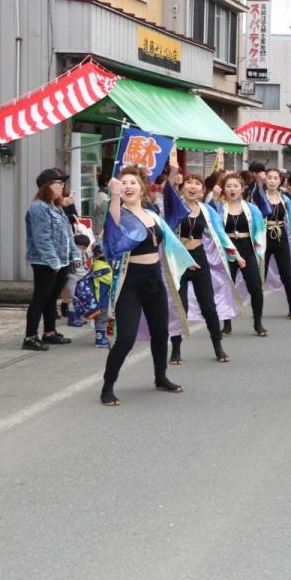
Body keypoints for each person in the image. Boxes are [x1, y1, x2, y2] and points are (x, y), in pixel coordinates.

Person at [99, 166, 194, 406]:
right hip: (130, 281)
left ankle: (161, 377)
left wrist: (186, 260)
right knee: (126, 337)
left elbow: (171, 238)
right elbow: (112, 224)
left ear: (142, 188)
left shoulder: (153, 214)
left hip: (155, 279)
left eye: (133, 182)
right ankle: (107, 386)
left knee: (161, 333)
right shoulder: (118, 213)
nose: (129, 186)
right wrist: (114, 194)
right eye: (125, 182)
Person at [165, 168, 235, 365]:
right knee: (181, 307)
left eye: (197, 184)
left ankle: (218, 346)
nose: (192, 187)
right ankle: (176, 350)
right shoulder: (174, 207)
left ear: (203, 190)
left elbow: (220, 232)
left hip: (200, 259)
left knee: (209, 307)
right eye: (189, 182)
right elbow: (168, 190)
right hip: (179, 261)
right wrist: (172, 172)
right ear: (182, 186)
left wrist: (235, 254)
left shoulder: (207, 210)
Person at [23, 168, 81, 351]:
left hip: (61, 260)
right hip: (45, 262)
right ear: (47, 186)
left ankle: (49, 332)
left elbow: (67, 234)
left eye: (63, 182)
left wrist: (75, 254)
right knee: (40, 298)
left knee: (51, 298)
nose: (62, 185)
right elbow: (42, 239)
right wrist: (53, 262)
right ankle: (30, 337)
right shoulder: (38, 207)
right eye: (58, 183)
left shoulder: (55, 206)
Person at [217, 172, 268, 337]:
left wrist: (258, 251)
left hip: (248, 249)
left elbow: (260, 231)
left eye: (236, 186)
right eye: (229, 186)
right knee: (226, 288)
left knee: (256, 288)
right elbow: (213, 231)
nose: (232, 189)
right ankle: (227, 324)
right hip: (227, 251)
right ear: (224, 189)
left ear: (242, 188)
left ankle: (258, 323)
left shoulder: (252, 209)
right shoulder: (218, 209)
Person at [260, 168, 291, 319]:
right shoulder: (259, 198)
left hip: (281, 239)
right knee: (261, 275)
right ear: (265, 180)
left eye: (275, 178)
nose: (272, 180)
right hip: (264, 240)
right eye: (269, 177)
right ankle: (258, 310)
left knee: (286, 274)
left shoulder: (285, 200)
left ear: (280, 181)